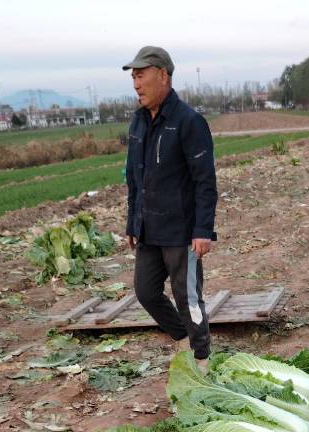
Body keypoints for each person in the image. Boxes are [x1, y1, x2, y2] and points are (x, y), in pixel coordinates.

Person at [122, 46, 217, 360]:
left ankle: (202, 359)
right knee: (146, 292)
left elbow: (205, 181)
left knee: (187, 297)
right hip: (149, 229)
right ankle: (182, 338)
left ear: (162, 75)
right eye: (133, 77)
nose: (136, 84)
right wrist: (132, 223)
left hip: (181, 231)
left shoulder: (189, 121)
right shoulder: (137, 122)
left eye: (141, 76)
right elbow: (134, 178)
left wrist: (203, 229)